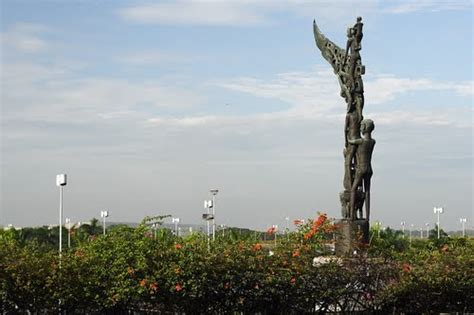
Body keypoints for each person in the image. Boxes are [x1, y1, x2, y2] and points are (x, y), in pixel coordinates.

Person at [348, 119, 375, 221]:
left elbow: (351, 141)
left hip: (361, 168)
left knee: (353, 189)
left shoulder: (360, 141)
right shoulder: (373, 142)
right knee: (367, 191)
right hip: (369, 169)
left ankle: (351, 216)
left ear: (364, 128)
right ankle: (367, 217)